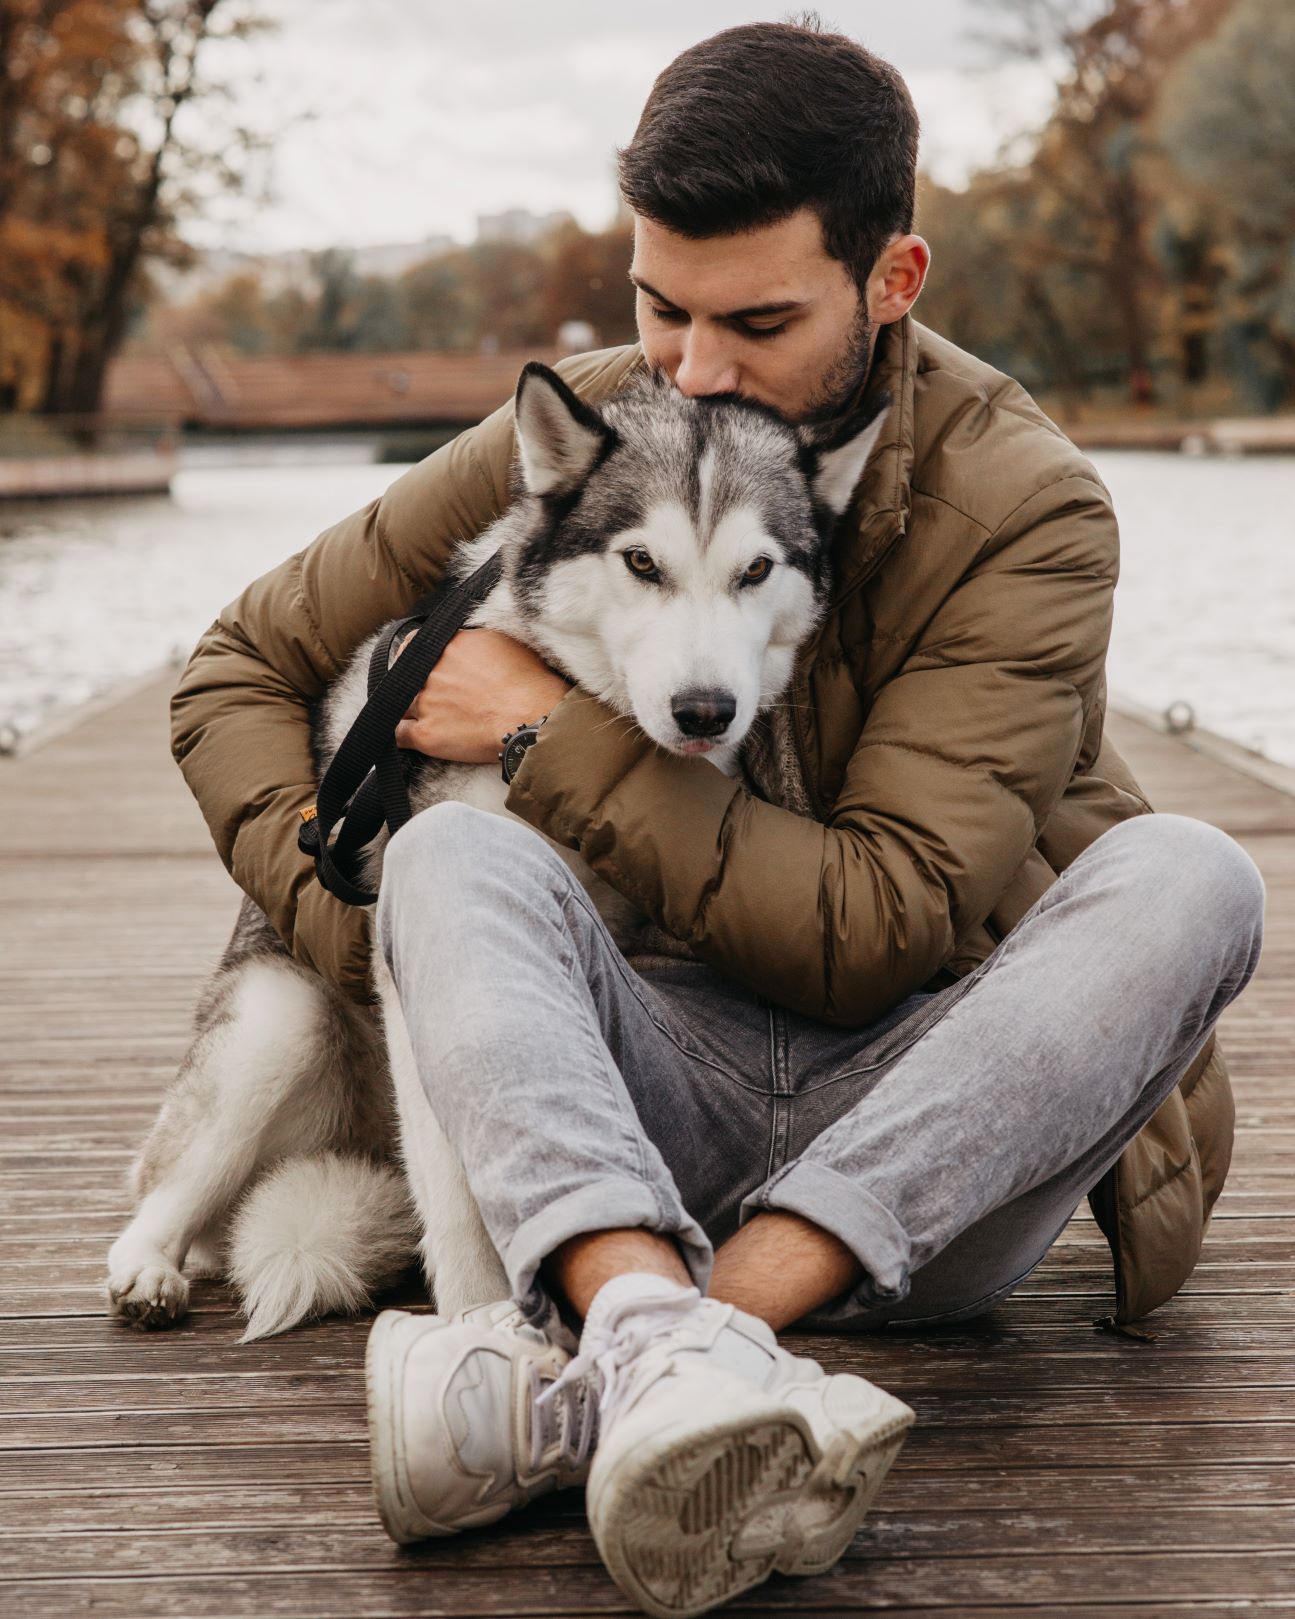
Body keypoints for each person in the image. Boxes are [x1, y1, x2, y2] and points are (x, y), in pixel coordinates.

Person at [170, 20, 1265, 1619]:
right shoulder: (598, 430)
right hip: (629, 1101)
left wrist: (541, 731)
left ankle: (659, 1342)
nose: (690, 370)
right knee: (450, 849)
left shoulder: (1023, 506)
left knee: (1192, 876)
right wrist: (377, 946)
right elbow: (233, 672)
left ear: (894, 281)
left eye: (754, 321)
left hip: (919, 1142)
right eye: (656, 306)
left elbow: (875, 930)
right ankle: (646, 1324)